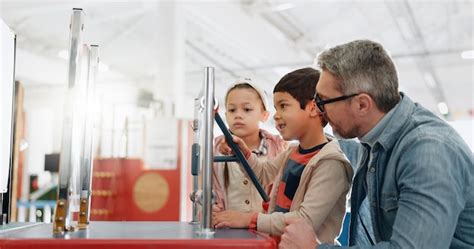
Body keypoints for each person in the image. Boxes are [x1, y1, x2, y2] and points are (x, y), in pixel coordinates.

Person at [280, 39, 474, 249]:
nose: (318, 110)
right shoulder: (375, 141)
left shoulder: (429, 153)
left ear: (362, 104)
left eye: (323, 101)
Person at [213, 68, 353, 244]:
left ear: (312, 108)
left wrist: (248, 219)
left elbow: (304, 220)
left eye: (284, 106)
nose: (276, 116)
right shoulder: (292, 152)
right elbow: (263, 174)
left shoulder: (331, 164)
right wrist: (244, 153)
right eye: (275, 108)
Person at [213, 78, 287, 213]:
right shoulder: (214, 150)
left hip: (266, 231)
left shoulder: (280, 148)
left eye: (247, 109)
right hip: (226, 230)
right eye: (232, 110)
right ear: (225, 115)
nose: (238, 115)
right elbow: (208, 190)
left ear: (264, 115)